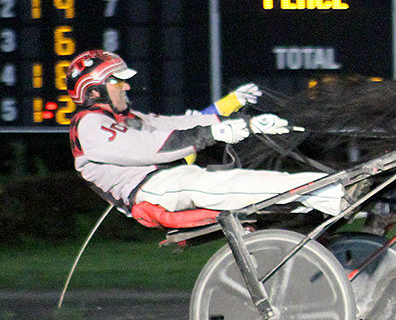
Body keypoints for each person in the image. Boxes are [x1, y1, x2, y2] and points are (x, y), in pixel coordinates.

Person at [66, 49, 348, 227]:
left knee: (236, 180)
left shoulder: (131, 119)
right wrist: (213, 133)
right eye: (117, 81)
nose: (126, 85)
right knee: (222, 183)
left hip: (169, 182)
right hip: (150, 190)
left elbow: (183, 123)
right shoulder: (89, 125)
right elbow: (151, 148)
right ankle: (335, 193)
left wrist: (246, 123)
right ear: (92, 92)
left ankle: (332, 192)